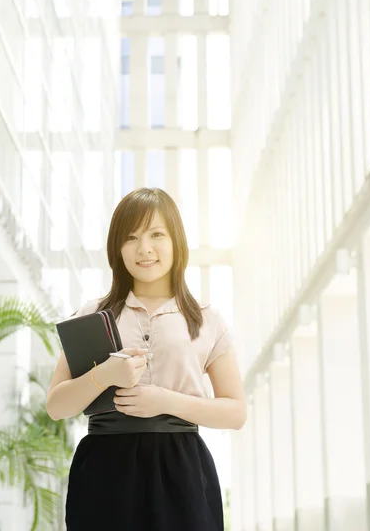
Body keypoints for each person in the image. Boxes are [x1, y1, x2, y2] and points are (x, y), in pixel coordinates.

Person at [46, 187, 247, 531]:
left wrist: (164, 400)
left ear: (176, 242)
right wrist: (104, 374)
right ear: (117, 248)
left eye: (157, 235)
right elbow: (56, 406)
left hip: (183, 468)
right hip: (104, 467)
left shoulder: (205, 318)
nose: (144, 249)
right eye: (131, 238)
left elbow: (236, 412)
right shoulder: (93, 315)